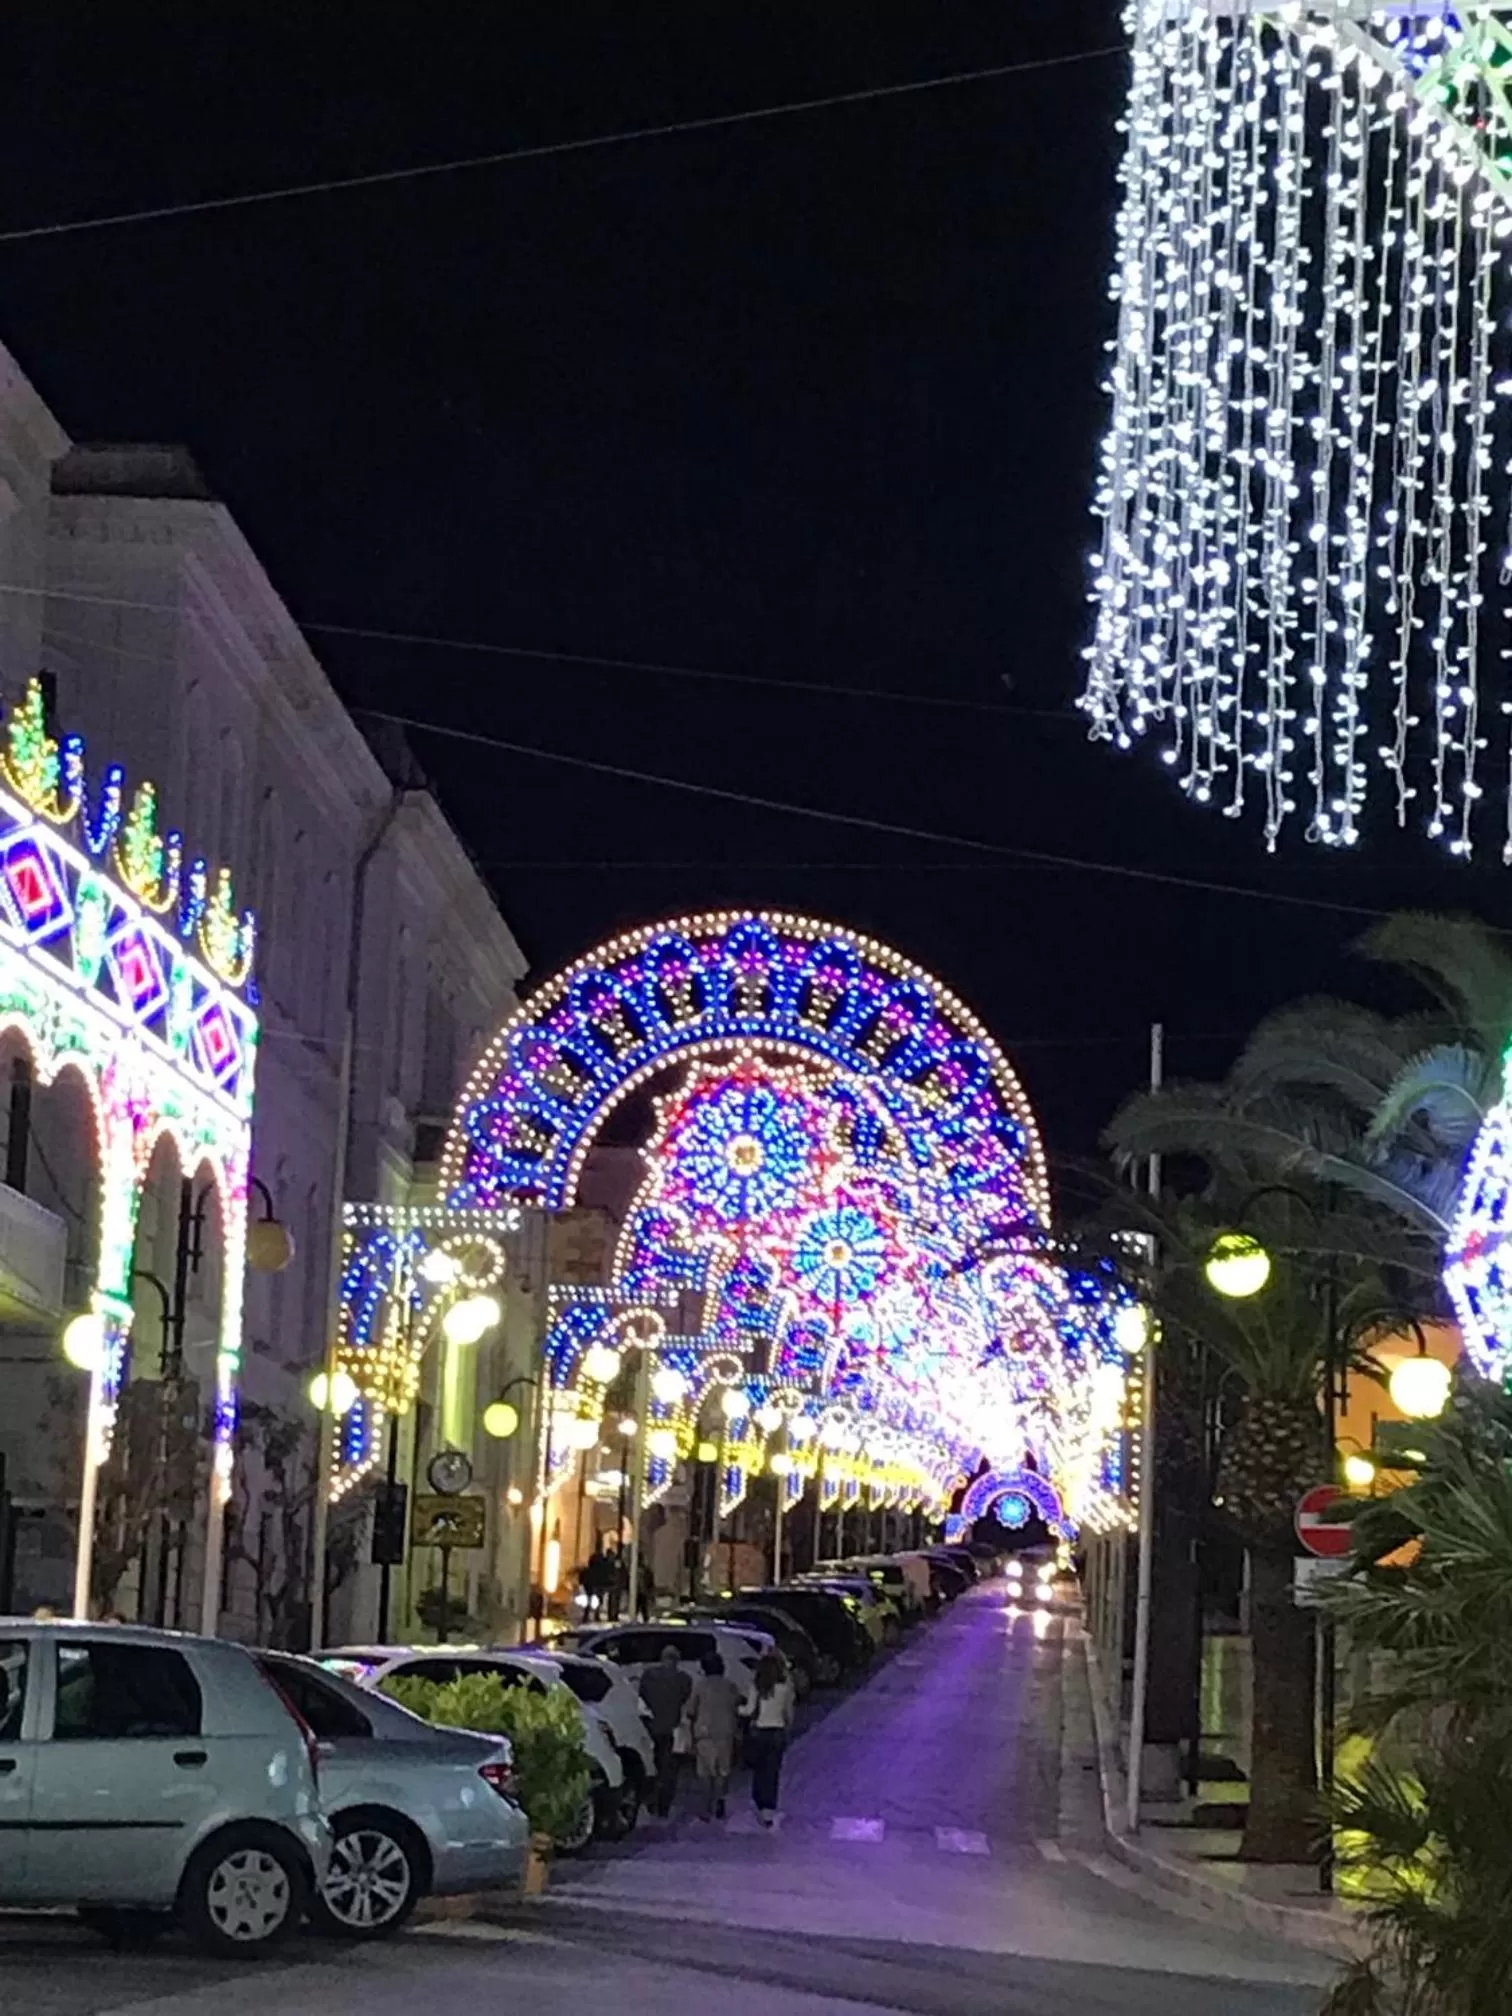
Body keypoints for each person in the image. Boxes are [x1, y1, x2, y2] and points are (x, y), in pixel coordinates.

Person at [687, 1650, 743, 1821]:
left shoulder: (700, 1686)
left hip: (704, 1733)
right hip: (725, 1732)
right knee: (723, 1771)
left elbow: (690, 1710)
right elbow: (739, 1704)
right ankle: (720, 1799)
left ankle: (706, 1808)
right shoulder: (730, 1686)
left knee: (704, 1772)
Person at [638, 1645, 693, 1816]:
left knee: (651, 1765)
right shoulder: (684, 1679)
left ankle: (650, 1800)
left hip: (651, 1727)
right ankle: (663, 1805)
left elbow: (642, 1697)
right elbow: (685, 1700)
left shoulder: (648, 1676)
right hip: (671, 1729)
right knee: (669, 1769)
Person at [748, 1649, 795, 1827]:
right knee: (772, 1771)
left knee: (758, 1770)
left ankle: (759, 1800)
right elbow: (789, 1712)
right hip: (777, 1731)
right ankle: (769, 1808)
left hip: (759, 1731)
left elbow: (750, 1710)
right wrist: (788, 1726)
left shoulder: (756, 1687)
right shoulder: (784, 1689)